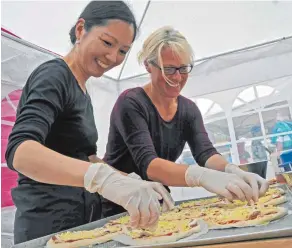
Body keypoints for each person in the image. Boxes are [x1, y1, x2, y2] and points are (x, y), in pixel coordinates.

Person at [5, 2, 174, 244]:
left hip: (82, 224)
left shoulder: (83, 89)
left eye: (123, 51)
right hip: (47, 227)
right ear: (81, 29)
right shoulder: (54, 76)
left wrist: (129, 181)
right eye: (107, 43)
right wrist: (102, 179)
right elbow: (20, 152)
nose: (113, 57)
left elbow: (87, 157)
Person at [101, 26, 270, 217]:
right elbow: (149, 165)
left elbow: (205, 153)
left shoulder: (188, 109)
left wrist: (233, 171)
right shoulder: (131, 102)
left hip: (158, 202)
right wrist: (201, 177)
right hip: (118, 207)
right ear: (148, 65)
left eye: (183, 68)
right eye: (169, 69)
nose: (177, 77)